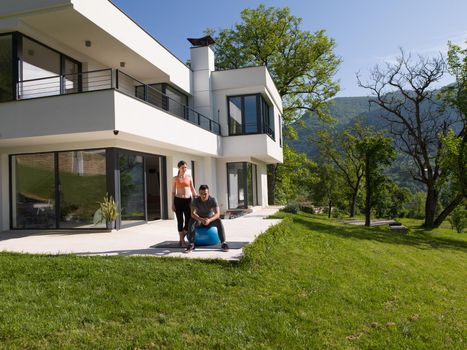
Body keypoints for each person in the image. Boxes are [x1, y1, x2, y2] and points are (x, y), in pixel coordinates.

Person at [185, 184, 229, 253]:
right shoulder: (196, 200)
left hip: (209, 220)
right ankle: (191, 244)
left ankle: (223, 243)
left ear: (208, 193)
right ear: (199, 193)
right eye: (201, 194)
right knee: (191, 221)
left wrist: (209, 220)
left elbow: (217, 214)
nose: (203, 195)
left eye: (205, 194)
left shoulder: (212, 200)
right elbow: (192, 214)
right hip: (199, 221)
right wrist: (201, 219)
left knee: (219, 221)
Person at [171, 160, 197, 247]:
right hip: (178, 201)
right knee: (180, 221)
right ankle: (182, 242)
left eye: (185, 167)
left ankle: (181, 238)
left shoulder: (189, 177)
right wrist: (172, 204)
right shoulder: (175, 178)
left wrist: (196, 197)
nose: (184, 169)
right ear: (179, 168)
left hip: (188, 201)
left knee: (188, 220)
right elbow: (173, 192)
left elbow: (192, 188)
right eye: (183, 167)